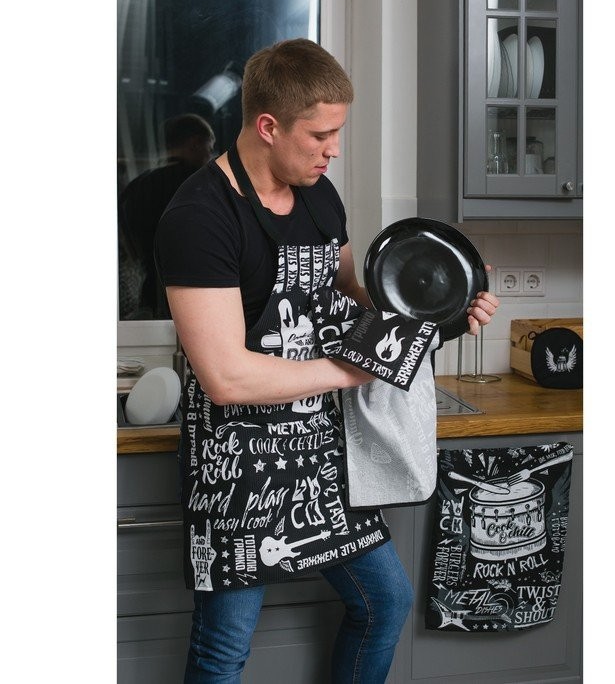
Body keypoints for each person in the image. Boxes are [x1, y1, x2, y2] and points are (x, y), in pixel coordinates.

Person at [154, 38, 499, 684]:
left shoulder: (319, 196)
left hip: (322, 454)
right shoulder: (200, 216)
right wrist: (354, 369)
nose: (333, 149)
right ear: (268, 126)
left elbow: (355, 301)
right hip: (239, 469)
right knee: (224, 649)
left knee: (384, 603)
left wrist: (443, 315)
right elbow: (225, 377)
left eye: (337, 133)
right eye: (320, 135)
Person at [119, 113, 216, 319]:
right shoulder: (203, 186)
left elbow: (128, 248)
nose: (210, 155)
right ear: (195, 143)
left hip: (150, 295)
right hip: (200, 295)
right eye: (209, 148)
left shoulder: (136, 187)